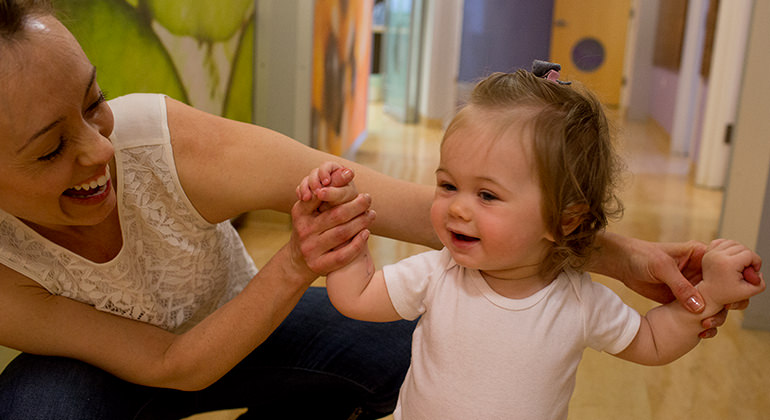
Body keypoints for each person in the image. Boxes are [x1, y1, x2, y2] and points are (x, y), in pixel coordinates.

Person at [0, 1, 746, 418]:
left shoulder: (161, 138)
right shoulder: (438, 277)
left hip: (249, 331)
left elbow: (411, 209)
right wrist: (308, 256)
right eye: (48, 150)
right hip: (114, 380)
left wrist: (633, 258)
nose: (101, 152)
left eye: (93, 102)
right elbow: (174, 365)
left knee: (411, 355)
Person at [296, 69, 766, 419]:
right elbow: (356, 297)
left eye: (486, 195)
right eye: (447, 185)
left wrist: (711, 296)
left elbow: (652, 341)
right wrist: (341, 222)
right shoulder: (439, 273)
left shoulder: (578, 301)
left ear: (564, 221)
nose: (458, 208)